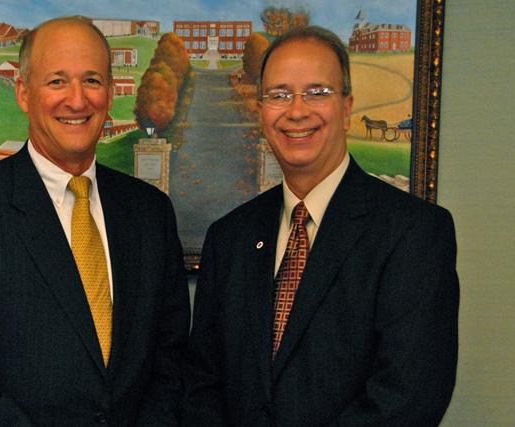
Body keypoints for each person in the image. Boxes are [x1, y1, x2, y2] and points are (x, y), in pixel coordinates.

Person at [0, 16, 190, 426]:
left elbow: (170, 360)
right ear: (23, 93)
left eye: (92, 80)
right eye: (57, 81)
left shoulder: (150, 212)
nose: (77, 101)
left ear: (110, 92)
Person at [182, 26, 459, 426]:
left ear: (346, 109)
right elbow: (202, 387)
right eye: (279, 95)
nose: (297, 110)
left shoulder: (414, 233)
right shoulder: (229, 238)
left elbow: (409, 396)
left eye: (317, 92)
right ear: (261, 111)